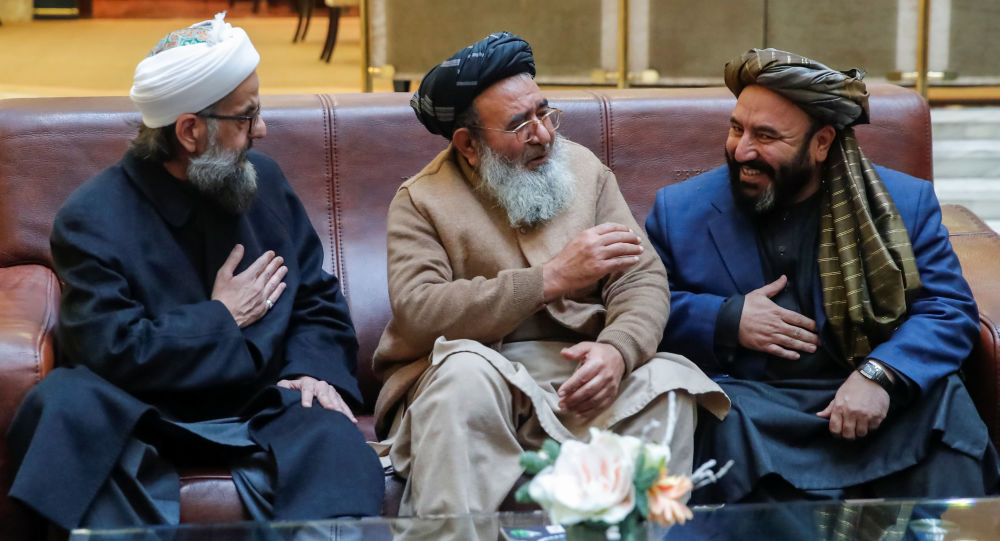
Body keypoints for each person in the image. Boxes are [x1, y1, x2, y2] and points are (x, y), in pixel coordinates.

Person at [6, 14, 383, 530]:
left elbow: (316, 299)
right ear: (190, 130)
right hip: (145, 411)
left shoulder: (265, 182)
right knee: (62, 406)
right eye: (246, 117)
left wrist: (312, 370)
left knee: (332, 436)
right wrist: (221, 318)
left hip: (263, 403)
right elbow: (111, 348)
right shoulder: (92, 217)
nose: (262, 130)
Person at [371, 32, 729, 517]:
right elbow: (419, 309)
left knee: (669, 384)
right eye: (519, 124)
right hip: (482, 373)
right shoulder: (421, 201)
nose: (542, 134)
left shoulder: (584, 170)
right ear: (469, 144)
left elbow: (640, 276)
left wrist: (617, 349)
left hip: (577, 374)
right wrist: (549, 279)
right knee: (464, 375)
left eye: (544, 113)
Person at [645, 48, 1000, 503]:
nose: (742, 150)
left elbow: (948, 309)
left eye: (766, 136)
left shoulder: (901, 204)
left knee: (944, 401)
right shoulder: (680, 210)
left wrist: (880, 374)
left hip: (874, 391)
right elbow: (643, 307)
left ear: (821, 142)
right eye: (736, 129)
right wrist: (728, 318)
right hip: (753, 404)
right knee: (717, 421)